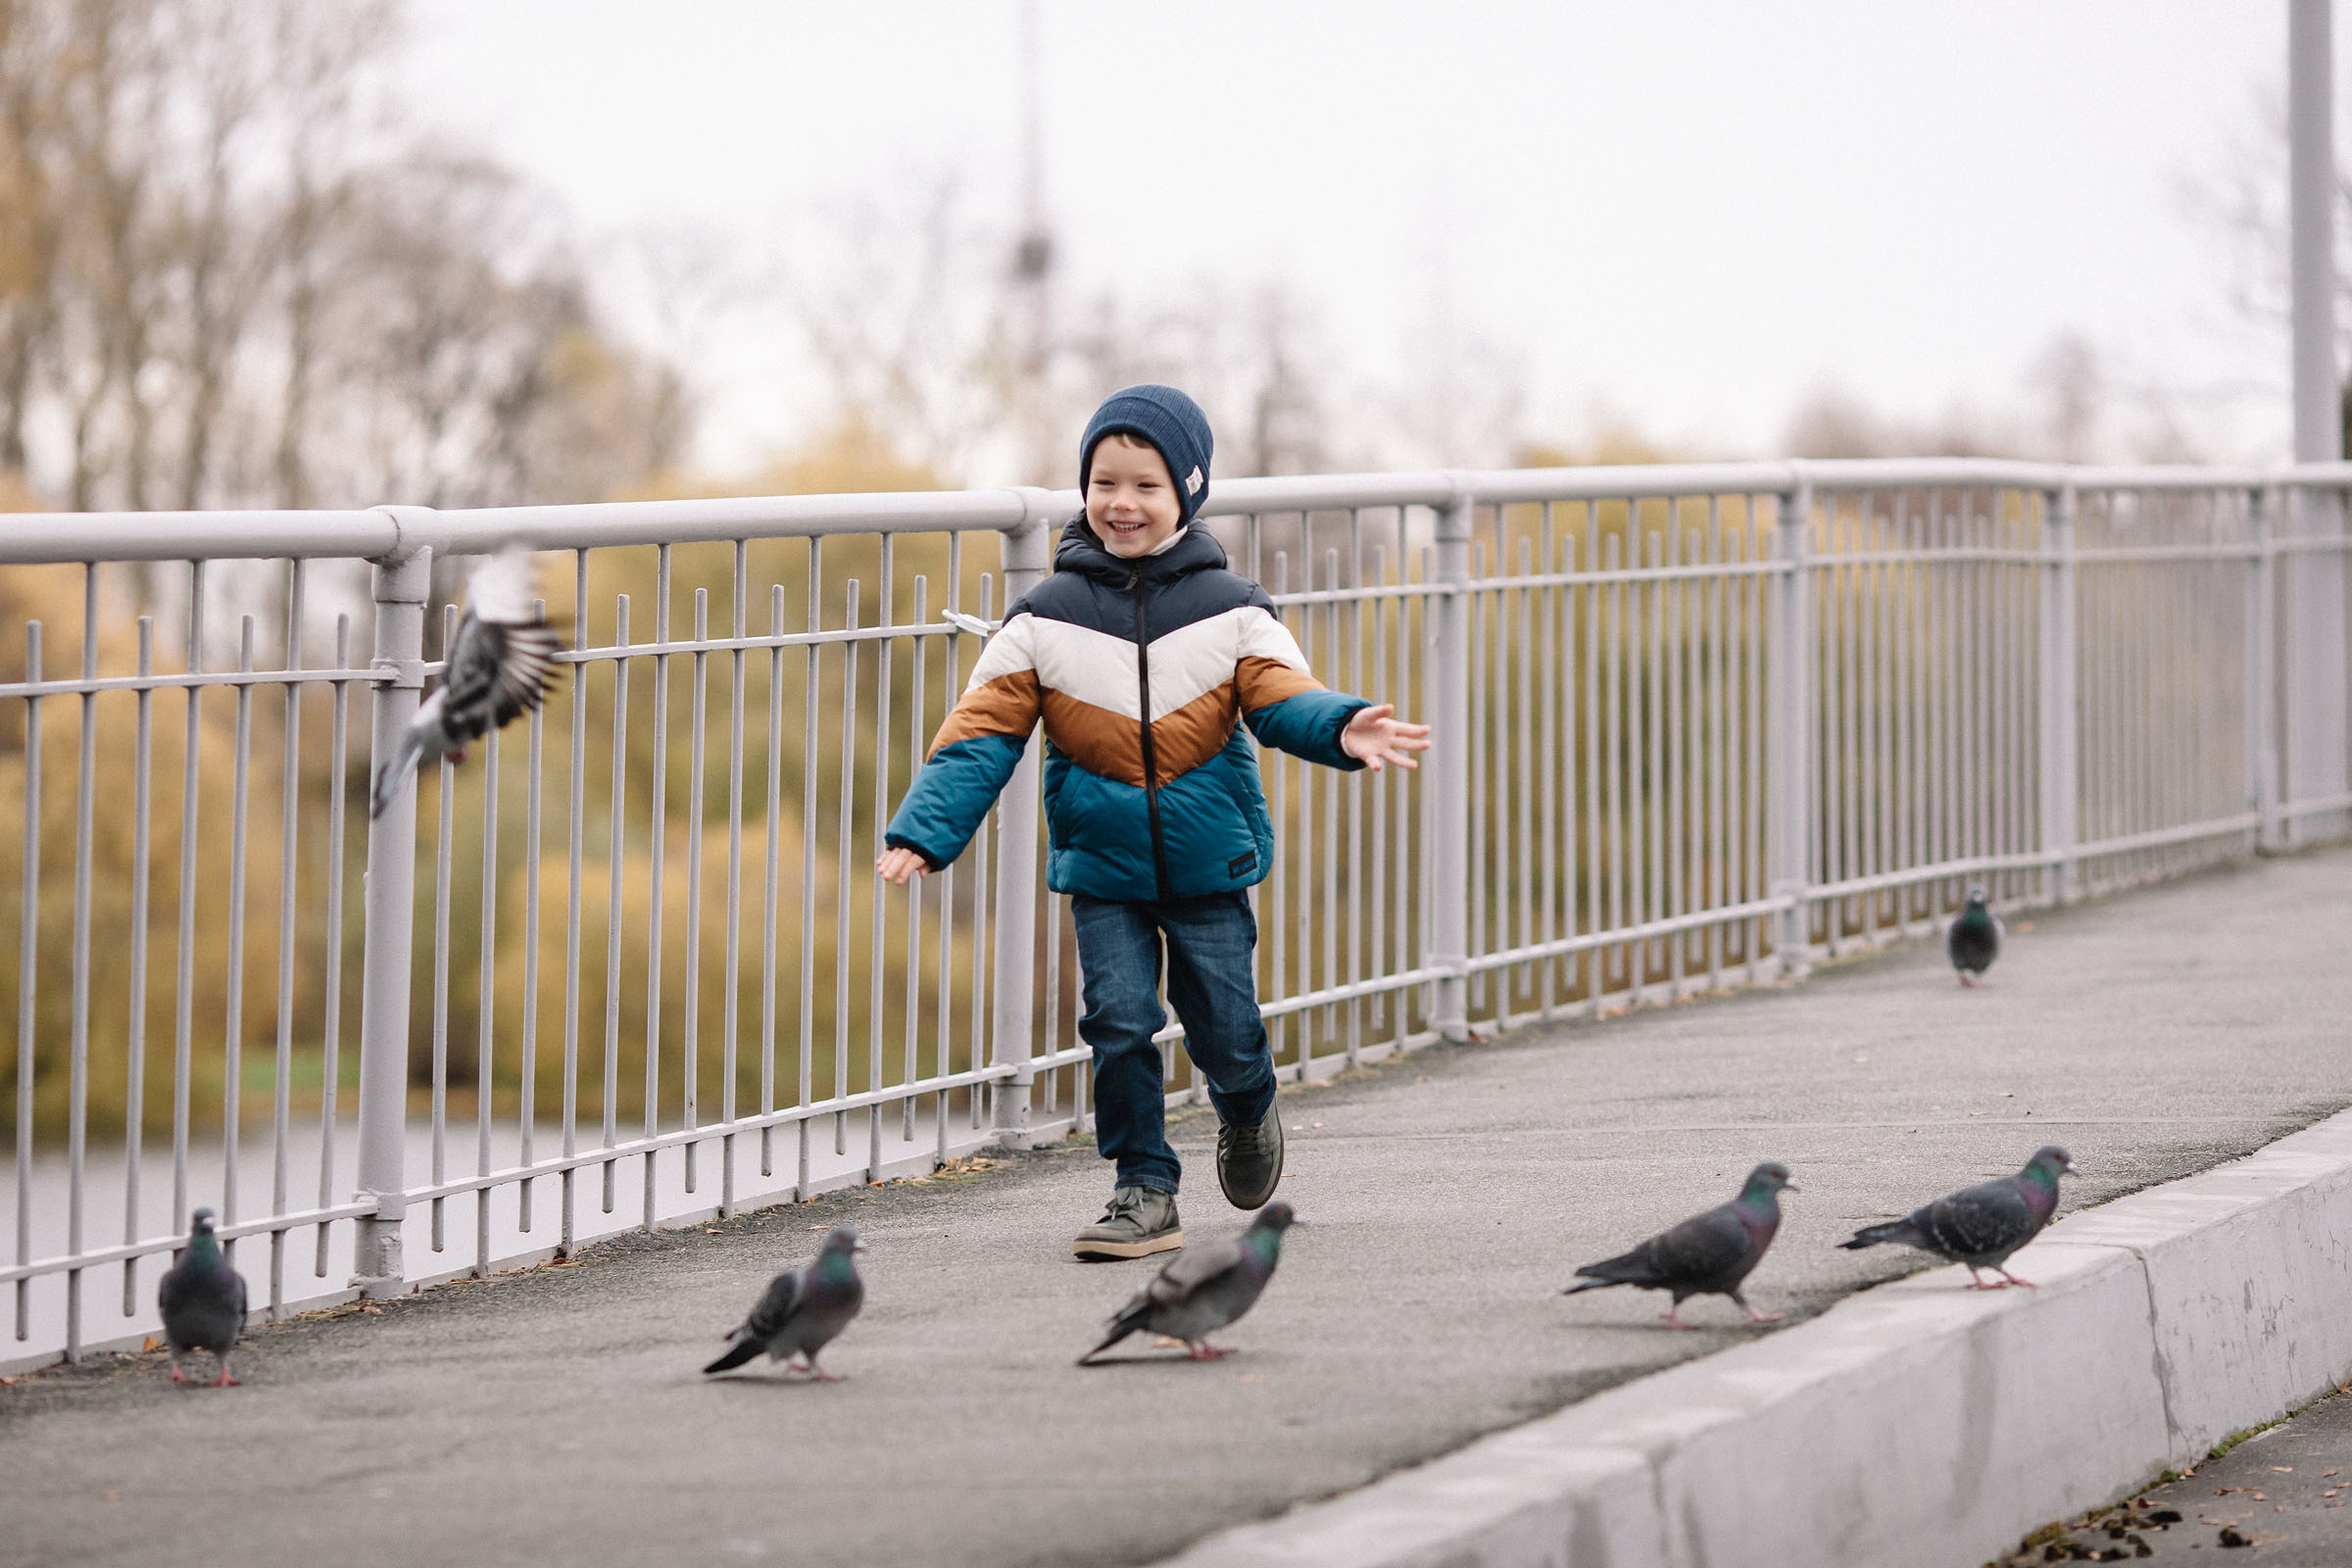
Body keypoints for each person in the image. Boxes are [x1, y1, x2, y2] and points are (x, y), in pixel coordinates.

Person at [875, 384, 1430, 1260]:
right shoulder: (1042, 618)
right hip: (1104, 871)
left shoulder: (1235, 609)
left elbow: (1285, 700)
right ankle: (1143, 1188)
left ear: (1187, 494)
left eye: (1145, 486)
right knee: (1118, 1021)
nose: (1121, 503)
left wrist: (1342, 724)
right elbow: (978, 734)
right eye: (1105, 482)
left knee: (1223, 1025)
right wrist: (922, 831)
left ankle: (1246, 1105)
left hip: (1209, 865)